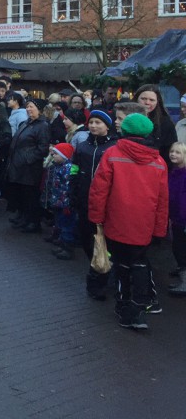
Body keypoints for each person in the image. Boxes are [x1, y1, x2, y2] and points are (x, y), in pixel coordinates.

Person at [88, 113, 169, 330]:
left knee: (122, 264)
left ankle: (124, 306)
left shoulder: (112, 154)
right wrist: (159, 229)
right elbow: (163, 199)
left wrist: (96, 218)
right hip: (145, 223)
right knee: (140, 262)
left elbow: (99, 190)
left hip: (117, 220)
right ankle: (139, 306)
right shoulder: (159, 161)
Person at [68, 109, 118, 300]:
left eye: (99, 122)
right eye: (92, 122)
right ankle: (97, 269)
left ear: (107, 125)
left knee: (104, 244)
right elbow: (74, 169)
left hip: (104, 205)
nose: (94, 126)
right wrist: (72, 191)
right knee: (87, 242)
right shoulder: (82, 147)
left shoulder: (113, 148)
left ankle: (101, 279)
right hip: (84, 201)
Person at [7, 97, 51, 233]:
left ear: (39, 110)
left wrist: (28, 158)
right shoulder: (26, 123)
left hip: (30, 167)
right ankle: (23, 217)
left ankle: (33, 222)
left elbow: (43, 147)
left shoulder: (42, 126)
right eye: (27, 106)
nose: (28, 109)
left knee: (31, 196)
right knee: (22, 194)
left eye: (31, 107)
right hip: (19, 165)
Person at [43, 142, 78, 259]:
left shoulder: (67, 169)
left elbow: (68, 188)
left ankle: (68, 248)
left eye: (56, 154)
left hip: (65, 204)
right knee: (60, 223)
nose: (53, 156)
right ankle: (62, 243)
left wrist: (67, 202)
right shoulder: (57, 166)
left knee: (67, 226)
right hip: (58, 201)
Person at [134, 83, 177, 164]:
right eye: (143, 99)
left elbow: (170, 151)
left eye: (152, 100)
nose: (147, 102)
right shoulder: (125, 118)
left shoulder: (165, 123)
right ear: (136, 99)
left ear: (157, 102)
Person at [168, 142, 186, 297]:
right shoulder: (174, 172)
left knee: (181, 249)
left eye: (178, 153)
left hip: (183, 219)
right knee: (177, 247)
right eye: (172, 151)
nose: (173, 154)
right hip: (175, 218)